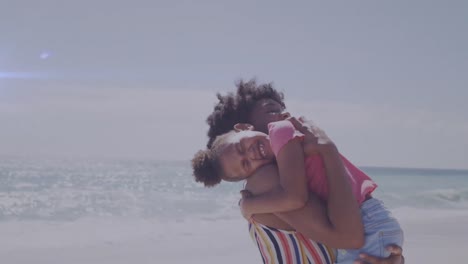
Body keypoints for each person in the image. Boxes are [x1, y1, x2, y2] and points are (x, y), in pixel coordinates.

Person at [192, 79, 404, 264]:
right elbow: (349, 237)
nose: (286, 115)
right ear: (246, 126)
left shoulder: (295, 176)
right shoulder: (266, 180)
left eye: (282, 108)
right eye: (272, 111)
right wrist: (329, 150)